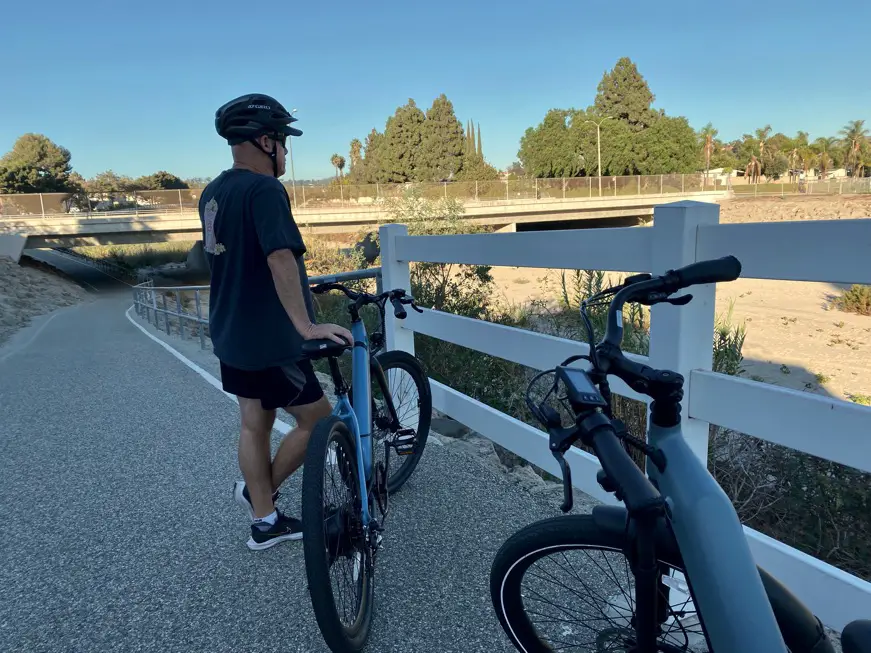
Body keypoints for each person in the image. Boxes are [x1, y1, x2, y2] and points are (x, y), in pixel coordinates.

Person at [198, 93, 352, 551]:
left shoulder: (213, 193)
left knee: (254, 422)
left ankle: (264, 516)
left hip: (231, 330)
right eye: (283, 140)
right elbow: (280, 257)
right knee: (316, 420)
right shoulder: (264, 190)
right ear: (266, 141)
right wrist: (306, 326)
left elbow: (227, 258)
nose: (285, 151)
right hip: (269, 338)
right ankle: (257, 496)